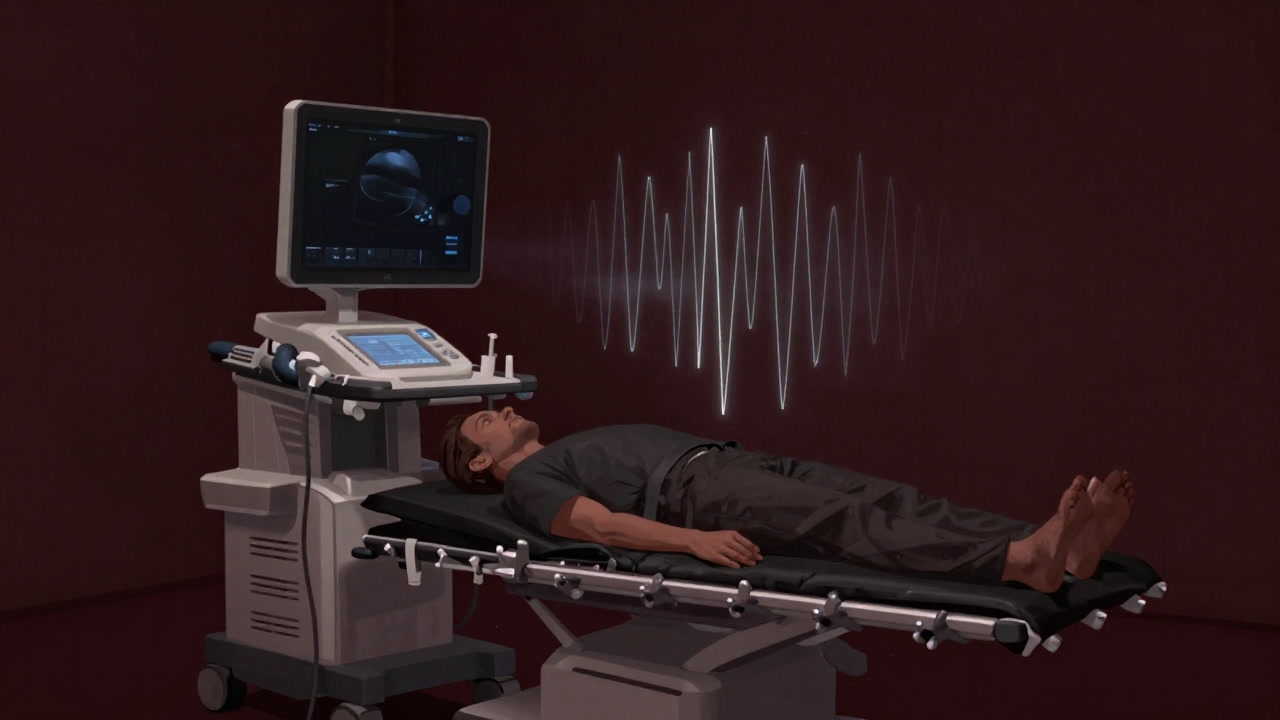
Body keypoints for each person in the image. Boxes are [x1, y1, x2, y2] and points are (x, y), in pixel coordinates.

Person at [437, 406, 1135, 593]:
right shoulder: (528, 482)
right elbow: (602, 528)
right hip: (697, 493)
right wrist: (694, 542)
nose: (498, 409)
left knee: (894, 495)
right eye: (484, 422)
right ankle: (1018, 560)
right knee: (849, 521)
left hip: (729, 462)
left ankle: (1060, 547)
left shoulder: (556, 450)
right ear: (479, 463)